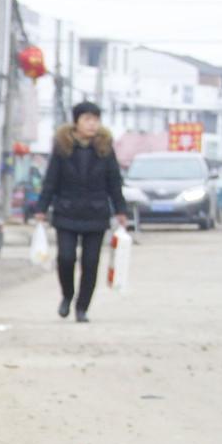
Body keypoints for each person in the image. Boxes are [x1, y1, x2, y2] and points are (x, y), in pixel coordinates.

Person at [32, 101, 128, 322]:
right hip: (67, 211)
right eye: (87, 119)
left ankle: (82, 307)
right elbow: (50, 181)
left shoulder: (105, 148)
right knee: (65, 258)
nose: (92, 124)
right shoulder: (62, 147)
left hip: (96, 213)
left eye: (95, 119)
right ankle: (67, 295)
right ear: (76, 122)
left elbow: (114, 181)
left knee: (90, 262)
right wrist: (41, 208)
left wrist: (120, 210)